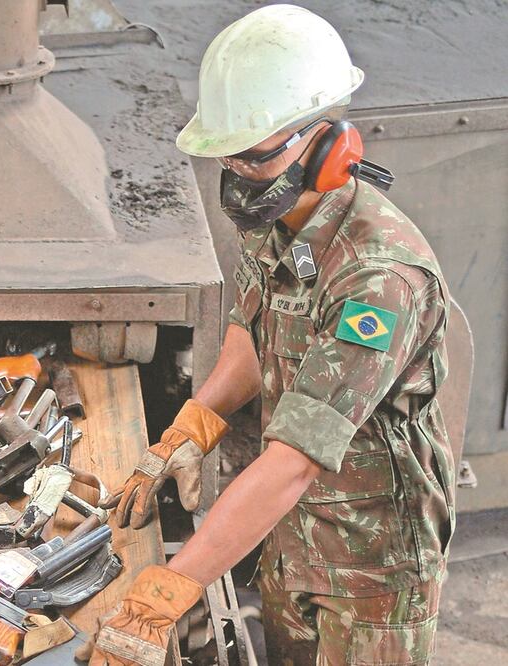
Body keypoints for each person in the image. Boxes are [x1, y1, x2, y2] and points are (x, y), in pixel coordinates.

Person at [79, 5, 455, 665]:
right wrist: (191, 427)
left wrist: (164, 593)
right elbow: (251, 338)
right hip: (288, 533)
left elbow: (293, 460)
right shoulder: (277, 217)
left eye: (254, 157)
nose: (241, 176)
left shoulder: (379, 278)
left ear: (332, 144)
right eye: (229, 158)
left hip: (370, 570)